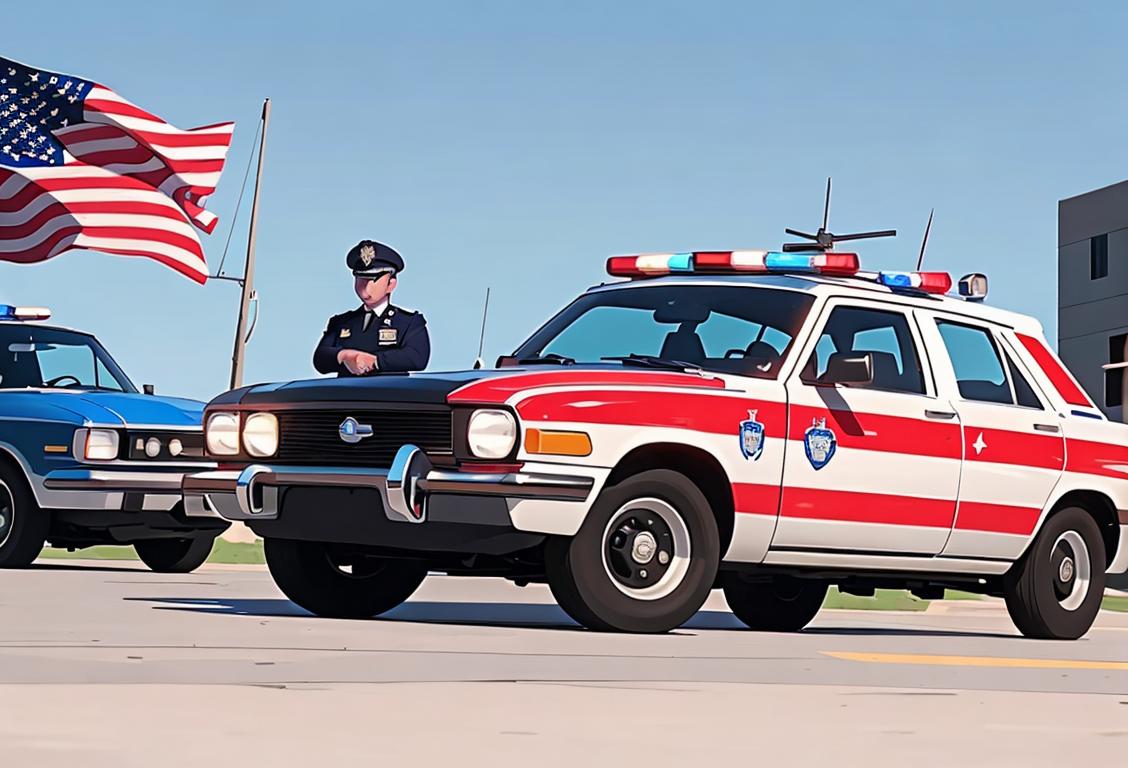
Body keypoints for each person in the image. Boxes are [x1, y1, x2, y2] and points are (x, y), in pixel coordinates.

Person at [313, 240, 430, 376]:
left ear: (390, 284)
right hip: (346, 395)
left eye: (373, 280)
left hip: (389, 394)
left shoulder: (408, 322)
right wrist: (344, 356)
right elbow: (320, 359)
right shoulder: (341, 322)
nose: (366, 287)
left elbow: (417, 357)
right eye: (361, 278)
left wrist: (375, 361)